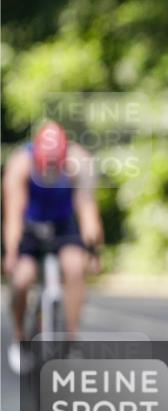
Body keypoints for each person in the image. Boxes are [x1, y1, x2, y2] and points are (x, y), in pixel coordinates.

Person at [3, 121, 103, 373]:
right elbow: (13, 214)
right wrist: (12, 254)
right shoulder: (20, 164)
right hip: (31, 227)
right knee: (22, 279)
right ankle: (19, 338)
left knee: (75, 268)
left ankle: (71, 339)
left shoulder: (79, 161)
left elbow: (87, 208)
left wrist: (93, 251)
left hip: (63, 226)